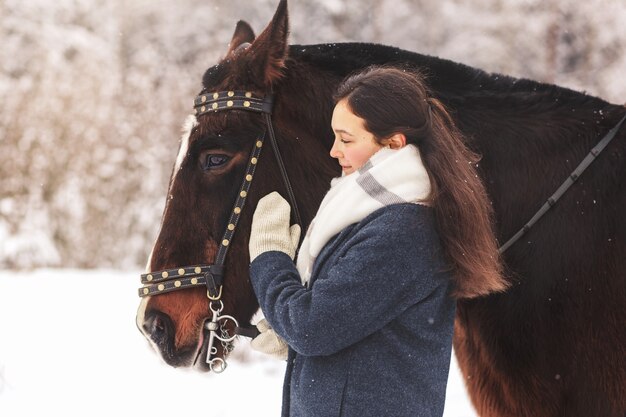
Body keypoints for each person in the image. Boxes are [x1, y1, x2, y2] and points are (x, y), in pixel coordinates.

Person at [247, 66, 507, 417]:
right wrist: (289, 334)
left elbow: (312, 328)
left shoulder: (404, 230)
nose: (334, 152)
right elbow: (339, 324)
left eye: (347, 139)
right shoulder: (369, 215)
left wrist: (269, 257)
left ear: (393, 143)